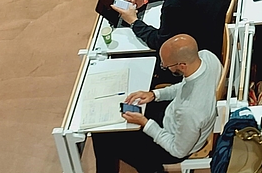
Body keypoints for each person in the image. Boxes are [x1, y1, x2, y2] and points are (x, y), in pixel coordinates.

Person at [91, 34, 221, 173]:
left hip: (174, 143)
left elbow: (177, 150)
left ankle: (151, 167)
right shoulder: (207, 57)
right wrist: (154, 94)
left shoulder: (189, 111)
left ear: (182, 66)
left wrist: (145, 123)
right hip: (173, 116)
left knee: (104, 136)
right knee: (117, 123)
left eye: (167, 66)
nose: (165, 67)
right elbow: (184, 86)